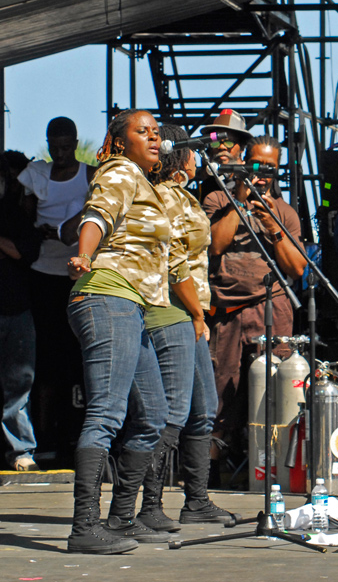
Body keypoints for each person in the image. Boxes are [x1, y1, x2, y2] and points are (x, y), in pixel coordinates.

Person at [66, 109, 172, 554]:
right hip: (106, 294)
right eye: (141, 131)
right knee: (106, 413)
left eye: (155, 132)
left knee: (152, 414)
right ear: (120, 141)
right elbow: (97, 215)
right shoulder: (119, 171)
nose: (152, 137)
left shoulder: (148, 183)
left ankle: (122, 518)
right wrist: (84, 254)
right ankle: (83, 527)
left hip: (132, 304)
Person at [137, 124, 236, 532]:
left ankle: (196, 500)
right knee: (174, 410)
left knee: (203, 407)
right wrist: (197, 314)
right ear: (182, 157)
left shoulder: (183, 195)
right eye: (193, 153)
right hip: (173, 310)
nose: (199, 160)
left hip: (191, 311)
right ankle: (148, 505)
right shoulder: (164, 197)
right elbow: (173, 261)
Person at [203, 135, 307, 484]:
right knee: (222, 391)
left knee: (277, 387)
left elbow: (297, 269)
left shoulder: (285, 211)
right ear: (244, 161)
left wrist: (272, 226)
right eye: (255, 166)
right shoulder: (218, 198)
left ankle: (272, 470)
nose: (261, 175)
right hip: (228, 309)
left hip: (271, 305)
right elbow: (215, 244)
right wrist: (239, 201)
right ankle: (211, 475)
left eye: (269, 169)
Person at [18, 117, 96, 465]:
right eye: (55, 147)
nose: (61, 153)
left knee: (75, 358)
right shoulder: (36, 175)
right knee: (45, 363)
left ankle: (75, 431)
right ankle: (45, 434)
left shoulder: (90, 175)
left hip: (77, 275)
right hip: (43, 274)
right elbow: (23, 221)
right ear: (48, 144)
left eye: (67, 146)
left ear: (75, 142)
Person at [0, 150, 41, 471]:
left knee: (18, 381)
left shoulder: (12, 215)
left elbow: (25, 252)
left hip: (14, 306)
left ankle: (20, 449)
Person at [197, 109, 253, 201]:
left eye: (229, 142)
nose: (222, 147)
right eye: (215, 142)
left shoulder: (254, 180)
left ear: (242, 147)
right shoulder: (206, 186)